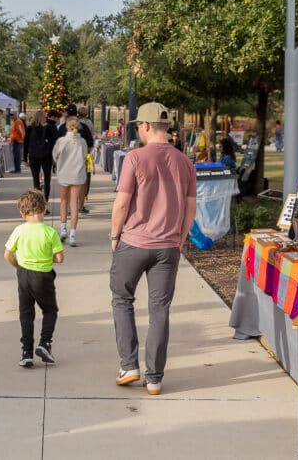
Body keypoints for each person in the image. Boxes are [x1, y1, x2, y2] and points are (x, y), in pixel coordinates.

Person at [109, 102, 197, 395]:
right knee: (160, 310)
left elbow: (122, 202)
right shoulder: (185, 162)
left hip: (134, 241)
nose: (138, 130)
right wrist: (180, 238)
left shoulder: (134, 158)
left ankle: (129, 364)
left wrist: (114, 235)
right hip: (168, 246)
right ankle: (155, 378)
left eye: (138, 125)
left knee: (122, 299)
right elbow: (190, 207)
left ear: (145, 126)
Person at [4, 189, 64, 368]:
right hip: (43, 276)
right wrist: (49, 258)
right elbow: (60, 258)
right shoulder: (50, 232)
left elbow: (7, 254)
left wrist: (18, 265)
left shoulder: (19, 230)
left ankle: (26, 352)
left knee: (26, 313)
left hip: (23, 275)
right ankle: (45, 343)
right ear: (44, 208)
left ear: (22, 213)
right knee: (50, 310)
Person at [52, 116, 89, 246]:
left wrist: (60, 164)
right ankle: (73, 234)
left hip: (64, 174)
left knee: (63, 201)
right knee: (74, 204)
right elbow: (85, 156)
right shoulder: (82, 142)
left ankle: (63, 229)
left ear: (66, 126)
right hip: (77, 175)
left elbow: (55, 155)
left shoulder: (61, 141)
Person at [25, 110, 57, 203]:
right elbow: (54, 143)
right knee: (47, 179)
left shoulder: (30, 128)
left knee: (36, 180)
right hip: (46, 156)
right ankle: (45, 202)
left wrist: (24, 158)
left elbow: (26, 144)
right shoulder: (50, 127)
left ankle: (38, 202)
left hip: (33, 156)